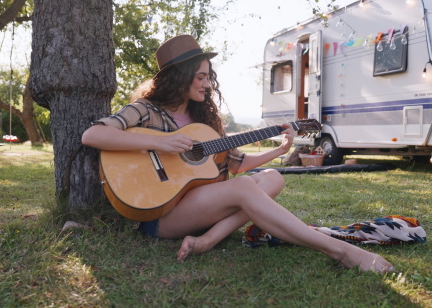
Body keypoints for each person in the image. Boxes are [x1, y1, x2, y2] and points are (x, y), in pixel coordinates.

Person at [81, 35, 394, 273]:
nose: (207, 83)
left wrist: (281, 149)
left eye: (208, 76)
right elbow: (93, 134)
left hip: (202, 210)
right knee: (245, 188)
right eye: (200, 76)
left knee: (271, 178)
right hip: (159, 214)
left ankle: (208, 240)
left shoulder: (203, 121)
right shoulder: (144, 110)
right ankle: (339, 251)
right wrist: (160, 144)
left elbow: (238, 164)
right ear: (178, 76)